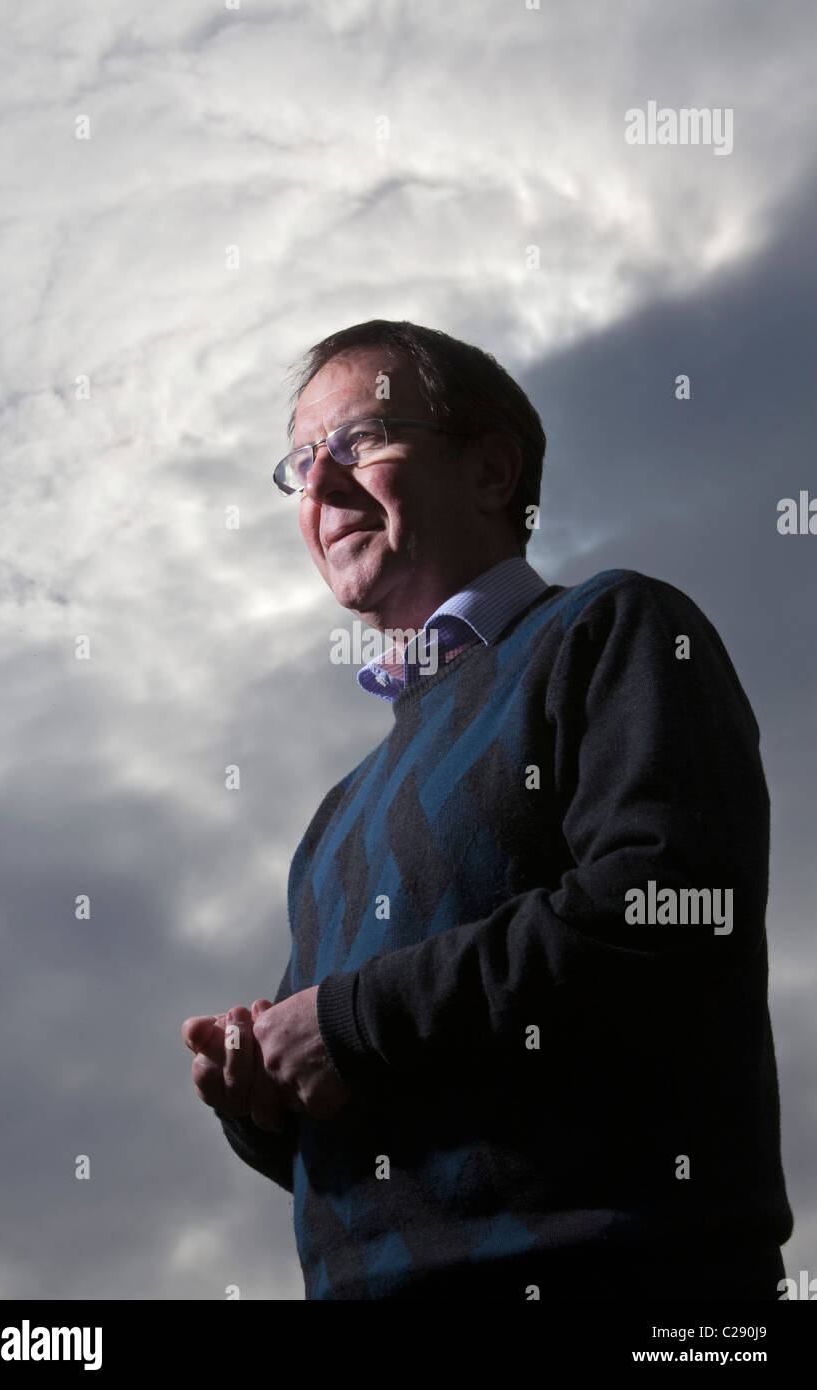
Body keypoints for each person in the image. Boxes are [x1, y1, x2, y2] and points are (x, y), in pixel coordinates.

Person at [182, 319, 793, 1301]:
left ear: (489, 469)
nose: (320, 486)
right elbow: (361, 1088)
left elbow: (670, 907)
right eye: (299, 463)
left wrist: (344, 1021)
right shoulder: (333, 820)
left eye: (359, 441)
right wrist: (257, 1093)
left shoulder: (609, 629)